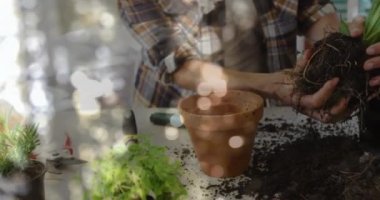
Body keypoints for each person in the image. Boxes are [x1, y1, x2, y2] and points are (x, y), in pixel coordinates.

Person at [117, 0, 380, 123]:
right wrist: (275, 84)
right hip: (175, 119)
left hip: (271, 117)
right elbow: (179, 66)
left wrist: (349, 46)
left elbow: (315, 14)